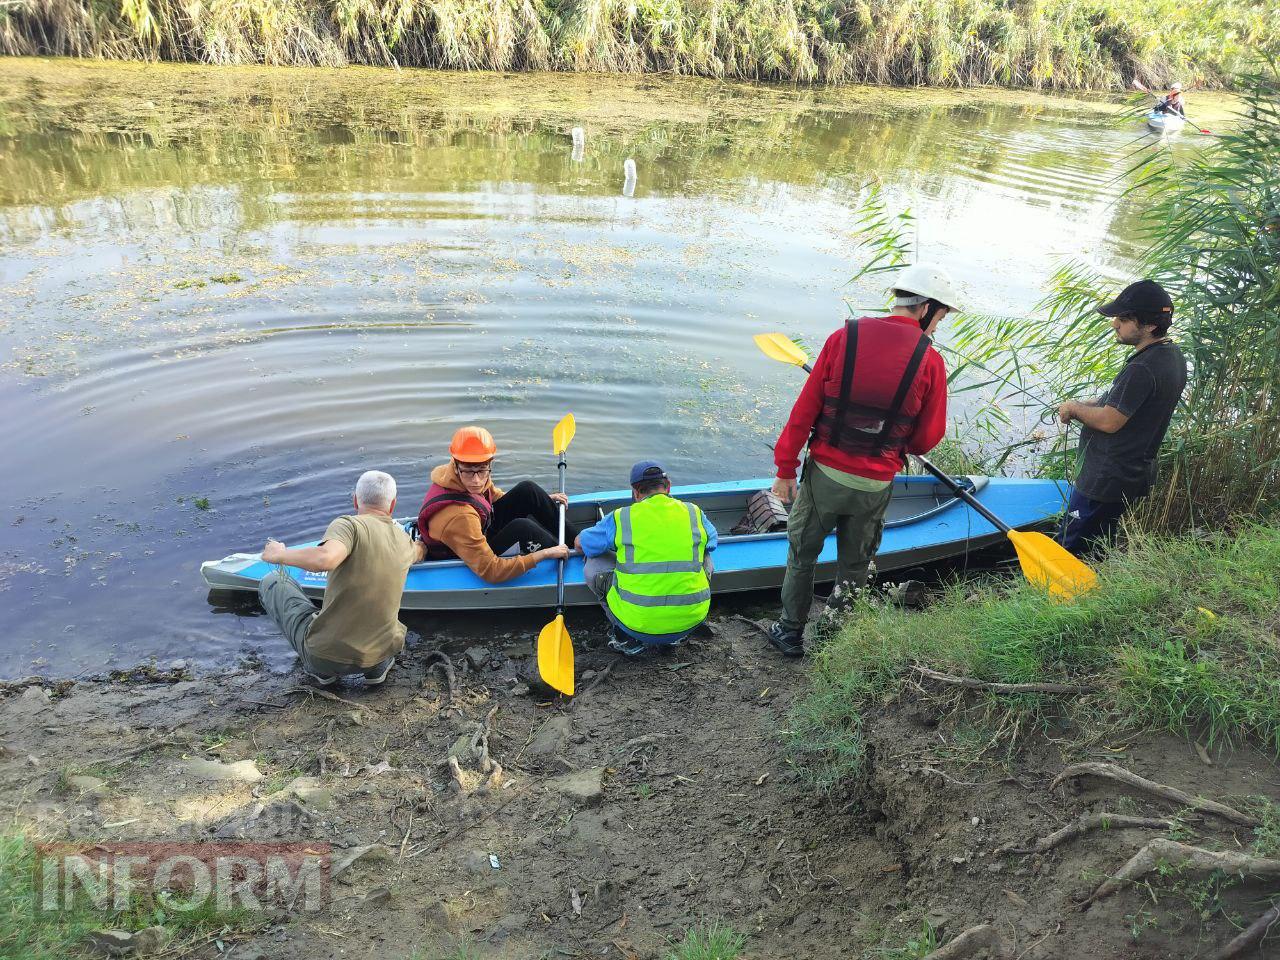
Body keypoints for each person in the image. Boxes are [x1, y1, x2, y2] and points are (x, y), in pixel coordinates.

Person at [766, 263, 959, 657]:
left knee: (802, 555)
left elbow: (804, 411)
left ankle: (789, 632)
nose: (938, 326)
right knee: (855, 566)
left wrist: (786, 469)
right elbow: (926, 440)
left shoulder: (844, 338)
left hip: (823, 479)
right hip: (874, 485)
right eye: (941, 316)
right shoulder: (931, 362)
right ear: (925, 308)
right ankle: (832, 638)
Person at [1057, 279, 1186, 555]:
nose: (1115, 324)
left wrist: (1075, 409)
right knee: (1097, 546)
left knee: (1070, 547)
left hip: (1106, 478)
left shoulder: (1142, 367)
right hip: (1128, 476)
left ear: (1150, 325)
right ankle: (1090, 592)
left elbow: (1109, 420)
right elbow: (1121, 402)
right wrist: (1077, 403)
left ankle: (1059, 595)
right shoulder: (1171, 355)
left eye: (1124, 318)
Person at [259, 470, 423, 687]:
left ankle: (324, 673)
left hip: (327, 656)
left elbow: (325, 559)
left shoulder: (349, 525)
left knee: (272, 581)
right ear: (392, 505)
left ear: (355, 500)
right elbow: (420, 551)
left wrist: (279, 554)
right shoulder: (405, 542)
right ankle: (377, 668)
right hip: (381, 651)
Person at [575, 461, 716, 656]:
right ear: (668, 486)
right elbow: (712, 542)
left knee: (593, 563)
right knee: (705, 554)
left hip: (637, 625)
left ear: (635, 492)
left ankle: (625, 637)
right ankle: (676, 633)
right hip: (690, 621)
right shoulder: (694, 512)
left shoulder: (621, 517)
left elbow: (581, 544)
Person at [417, 426, 574, 583]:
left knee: (528, 490)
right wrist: (544, 554)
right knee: (524, 529)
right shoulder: (459, 516)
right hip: (469, 550)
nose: (477, 480)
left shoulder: (470, 471)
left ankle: (578, 540)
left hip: (480, 527)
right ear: (456, 466)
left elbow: (494, 496)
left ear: (489, 464)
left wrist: (543, 499)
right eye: (469, 472)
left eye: (482, 470)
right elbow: (491, 571)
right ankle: (569, 556)